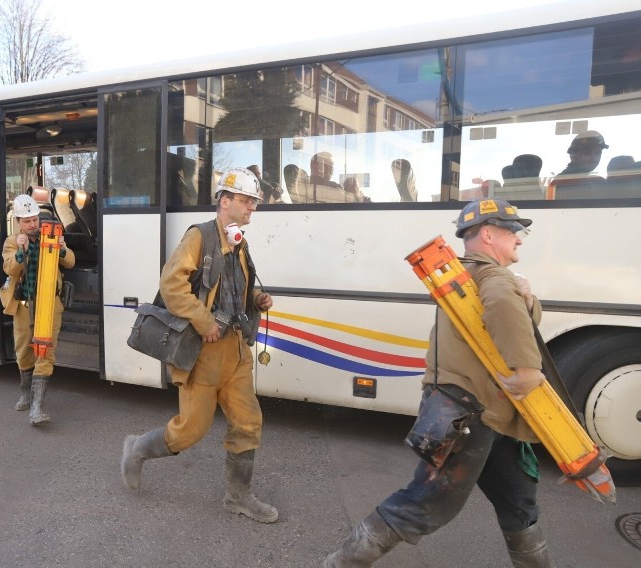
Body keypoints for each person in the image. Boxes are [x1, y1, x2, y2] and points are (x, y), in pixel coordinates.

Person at [324, 197, 553, 567]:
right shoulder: (493, 278)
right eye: (514, 232)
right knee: (426, 502)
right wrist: (527, 368)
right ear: (489, 234)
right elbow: (501, 303)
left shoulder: (463, 276)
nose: (520, 240)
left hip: (481, 411)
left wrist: (525, 297)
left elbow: (509, 308)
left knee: (519, 500)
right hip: (470, 413)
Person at [120, 167, 278, 523]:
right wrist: (204, 321)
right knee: (191, 429)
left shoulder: (239, 241)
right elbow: (172, 285)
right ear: (225, 201)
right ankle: (137, 449)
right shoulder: (200, 238)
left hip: (236, 350)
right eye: (247, 200)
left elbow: (234, 288)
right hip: (204, 352)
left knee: (248, 422)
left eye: (254, 201)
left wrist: (256, 297)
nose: (253, 207)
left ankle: (239, 497)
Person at [1, 194, 75, 426]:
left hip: (50, 305)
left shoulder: (51, 236)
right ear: (19, 223)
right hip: (24, 307)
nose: (32, 224)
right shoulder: (12, 242)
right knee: (23, 352)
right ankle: (26, 393)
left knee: (45, 352)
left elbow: (70, 261)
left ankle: (37, 408)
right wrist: (22, 251)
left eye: (34, 220)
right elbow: (10, 268)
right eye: (27, 221)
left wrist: (63, 249)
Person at [551, 130, 608, 199]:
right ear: (573, 155)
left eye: (598, 153)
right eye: (587, 153)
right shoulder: (563, 182)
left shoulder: (597, 182)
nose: (594, 158)